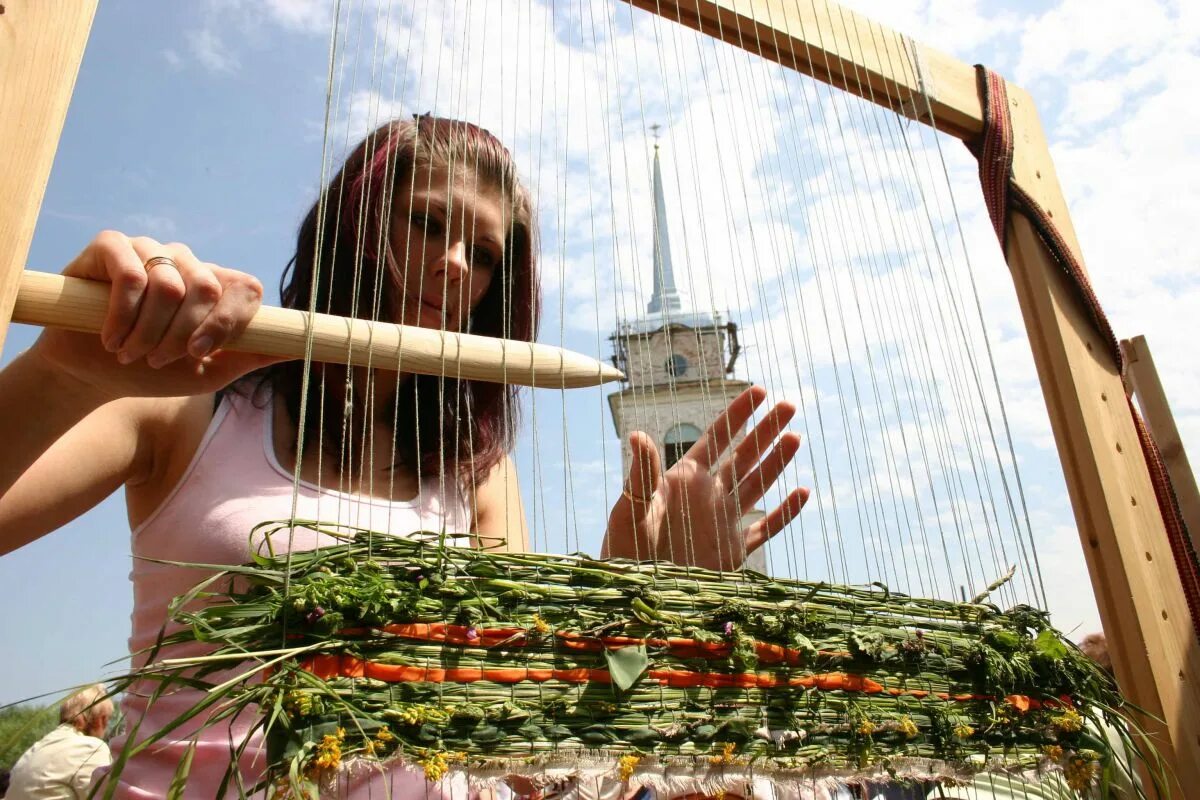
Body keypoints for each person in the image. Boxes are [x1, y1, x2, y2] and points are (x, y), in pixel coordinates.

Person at [0, 116, 808, 798]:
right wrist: (62, 372)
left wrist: (641, 599)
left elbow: (527, 730)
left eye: (485, 254)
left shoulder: (476, 468)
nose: (457, 265)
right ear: (354, 227)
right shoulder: (189, 396)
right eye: (426, 223)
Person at [7, 684, 113, 800]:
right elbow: (106, 796)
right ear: (100, 719)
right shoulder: (91, 748)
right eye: (108, 719)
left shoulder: (36, 748)